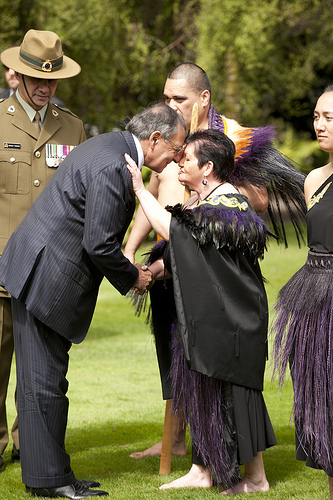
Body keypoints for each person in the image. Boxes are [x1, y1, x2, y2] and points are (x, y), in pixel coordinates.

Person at [0, 101, 186, 499]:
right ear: (154, 140)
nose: (178, 156)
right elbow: (100, 244)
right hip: (44, 278)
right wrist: (134, 275)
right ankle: (50, 481)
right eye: (176, 147)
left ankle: (50, 474)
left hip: (37, 271)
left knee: (42, 383)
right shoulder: (113, 164)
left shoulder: (110, 148)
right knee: (45, 385)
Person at [124, 62, 306, 459]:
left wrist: (213, 184)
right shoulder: (169, 135)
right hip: (168, 260)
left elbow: (258, 200)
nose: (170, 104)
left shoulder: (233, 138)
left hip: (210, 269)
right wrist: (130, 249)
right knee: (172, 354)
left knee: (208, 356)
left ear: (203, 98)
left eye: (179, 98)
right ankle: (173, 439)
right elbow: (154, 190)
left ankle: (212, 453)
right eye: (166, 97)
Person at [125, 128, 277, 493]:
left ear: (207, 167)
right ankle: (202, 469)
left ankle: (256, 480)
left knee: (236, 393)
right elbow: (186, 250)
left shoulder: (228, 206)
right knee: (205, 390)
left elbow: (174, 231)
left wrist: (140, 190)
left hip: (236, 320)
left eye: (187, 158)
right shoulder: (203, 203)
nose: (180, 161)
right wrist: (150, 272)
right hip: (214, 318)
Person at [0, 29, 86, 474]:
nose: (43, 85)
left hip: (47, 273)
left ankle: (27, 442)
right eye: (36, 76)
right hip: (1, 268)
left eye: (51, 79)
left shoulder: (72, 126)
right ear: (17, 73)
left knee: (40, 371)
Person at [272, 84, 333, 499]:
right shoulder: (312, 179)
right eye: (316, 116)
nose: (319, 124)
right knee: (320, 403)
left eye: (329, 117)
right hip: (312, 297)